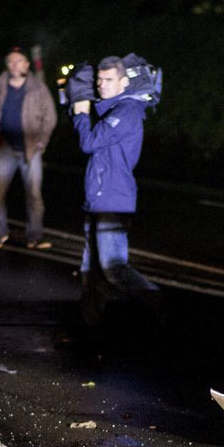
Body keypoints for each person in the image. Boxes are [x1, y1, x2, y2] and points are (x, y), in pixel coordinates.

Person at [72, 56, 152, 302]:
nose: (101, 85)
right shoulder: (115, 110)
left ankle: (154, 303)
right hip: (99, 198)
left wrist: (81, 115)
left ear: (124, 82)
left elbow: (89, 143)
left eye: (108, 79)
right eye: (99, 79)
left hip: (113, 200)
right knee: (91, 269)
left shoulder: (126, 112)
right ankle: (93, 323)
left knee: (113, 268)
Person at [0, 47, 57, 249]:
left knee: (34, 195)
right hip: (3, 147)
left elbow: (50, 117)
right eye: (11, 62)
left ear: (26, 64)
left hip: (30, 148)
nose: (15, 65)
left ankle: (34, 236)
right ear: (7, 66)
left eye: (19, 61)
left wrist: (41, 143)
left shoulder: (37, 88)